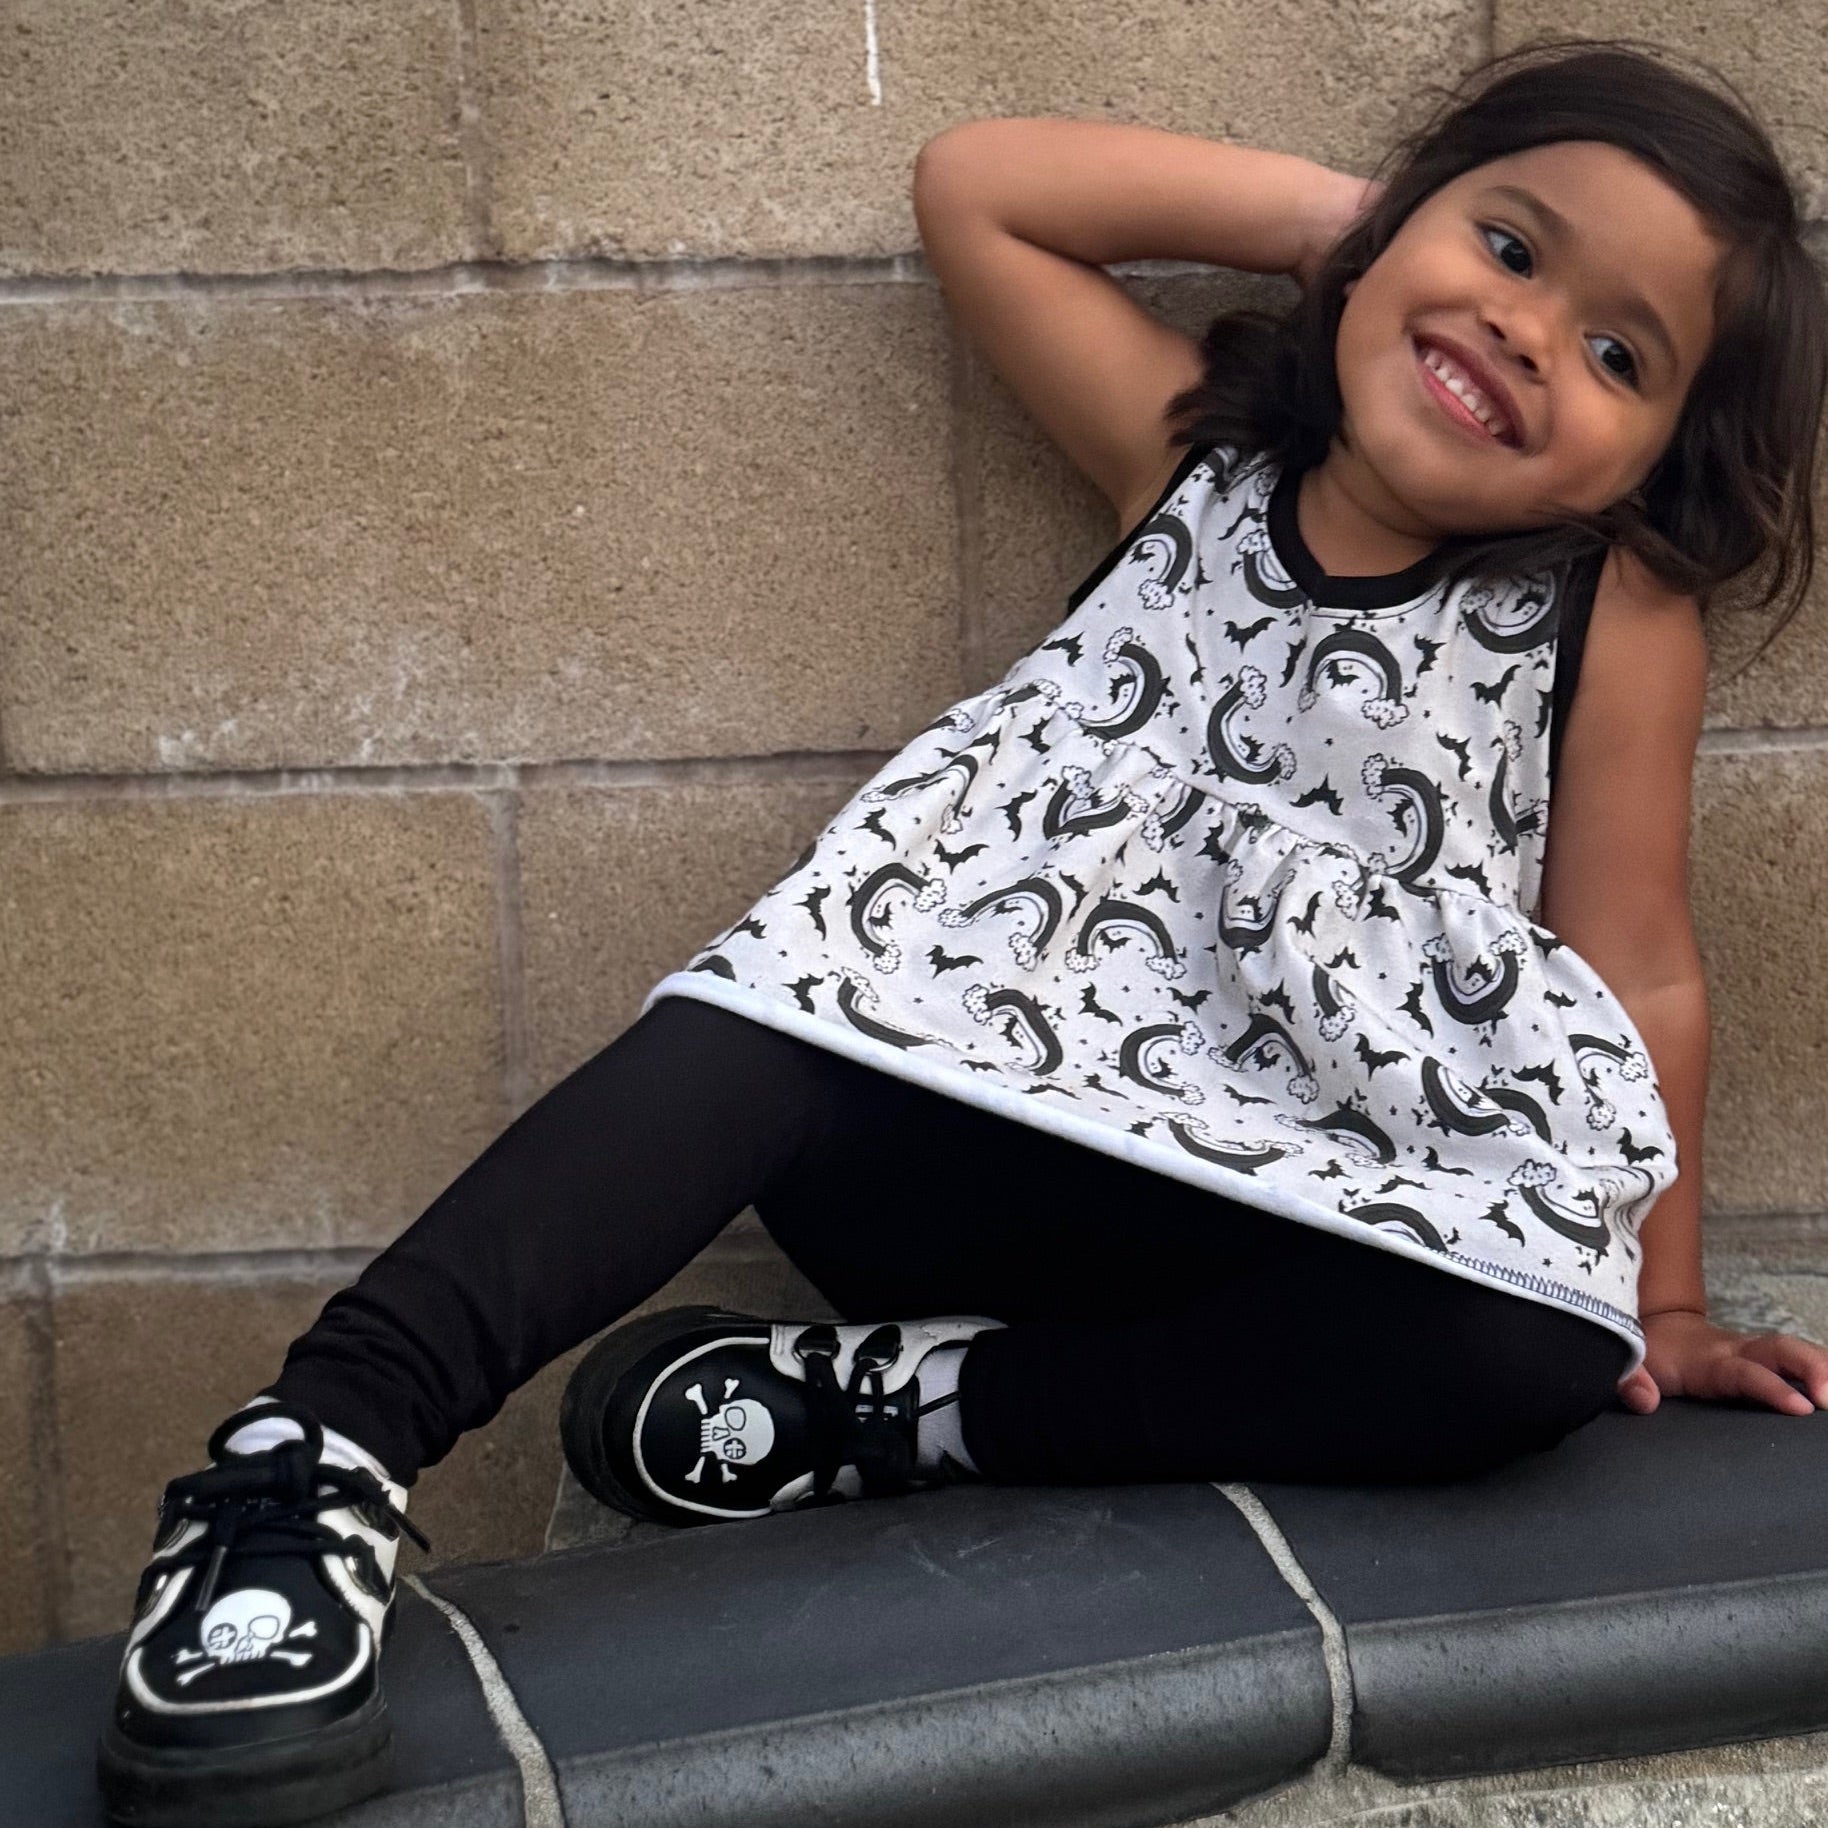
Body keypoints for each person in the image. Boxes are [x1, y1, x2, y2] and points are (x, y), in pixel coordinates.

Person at [97, 35, 1828, 1828]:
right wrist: (1357, 223)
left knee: (1533, 1348)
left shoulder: (1602, 615)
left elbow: (1637, 969)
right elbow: (980, 189)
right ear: (1397, 231)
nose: (1531, 334)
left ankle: (926, 1412)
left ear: (1651, 458)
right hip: (963, 1146)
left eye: (1623, 355)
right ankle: (319, 1447)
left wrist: (1666, 1295)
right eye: (1512, 247)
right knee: (763, 1019)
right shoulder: (1199, 469)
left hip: (1281, 1218)